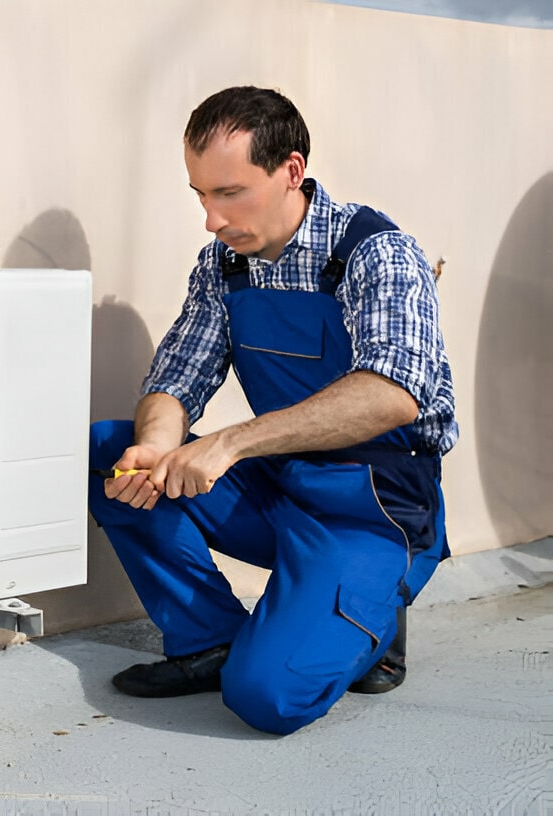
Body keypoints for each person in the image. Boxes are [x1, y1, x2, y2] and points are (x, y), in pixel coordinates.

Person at [88, 86, 457, 735]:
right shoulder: (224, 266)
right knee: (108, 452)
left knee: (267, 699)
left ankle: (372, 618)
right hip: (280, 486)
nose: (211, 218)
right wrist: (156, 443)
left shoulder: (377, 253)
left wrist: (227, 445)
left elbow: (393, 392)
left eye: (229, 193)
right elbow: (175, 378)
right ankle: (208, 638)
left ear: (290, 171)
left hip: (374, 509)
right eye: (201, 195)